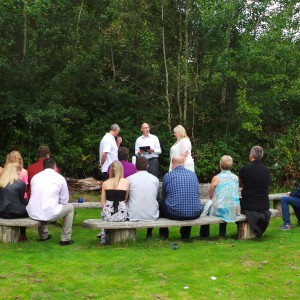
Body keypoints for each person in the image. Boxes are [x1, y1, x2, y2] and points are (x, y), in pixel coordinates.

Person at [26, 158, 74, 246]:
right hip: (49, 213)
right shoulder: (60, 178)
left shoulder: (35, 177)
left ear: (43, 167)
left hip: (33, 212)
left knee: (42, 205)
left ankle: (43, 235)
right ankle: (65, 238)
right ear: (54, 166)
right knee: (70, 208)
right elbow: (64, 200)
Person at [159, 156, 201, 239]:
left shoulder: (168, 176)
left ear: (172, 165)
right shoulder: (193, 175)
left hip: (174, 213)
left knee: (161, 203)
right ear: (183, 164)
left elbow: (164, 194)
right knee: (189, 203)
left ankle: (164, 234)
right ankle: (185, 234)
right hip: (195, 213)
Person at [200, 155, 240, 238]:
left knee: (206, 208)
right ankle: (222, 233)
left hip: (220, 210)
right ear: (231, 165)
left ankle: (204, 234)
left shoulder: (216, 178)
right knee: (224, 205)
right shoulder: (235, 178)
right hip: (234, 209)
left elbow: (211, 195)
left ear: (220, 165)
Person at [239, 146, 271, 238]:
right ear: (261, 156)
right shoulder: (267, 170)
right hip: (264, 205)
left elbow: (239, 184)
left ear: (251, 155)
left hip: (249, 205)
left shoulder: (245, 169)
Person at [127, 156, 159, 238]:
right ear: (148, 166)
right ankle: (149, 232)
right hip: (152, 215)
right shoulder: (155, 179)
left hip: (132, 215)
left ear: (135, 166)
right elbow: (155, 196)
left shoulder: (129, 179)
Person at [99, 160, 129, 243]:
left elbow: (102, 202)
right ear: (121, 169)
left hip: (108, 214)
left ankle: (104, 236)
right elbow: (125, 199)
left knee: (105, 214)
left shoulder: (105, 183)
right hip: (121, 214)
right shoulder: (126, 182)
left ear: (110, 170)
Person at [0, 163, 28, 242]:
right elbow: (21, 199)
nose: (20, 173)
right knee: (25, 204)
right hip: (15, 213)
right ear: (16, 171)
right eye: (19, 171)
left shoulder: (1, 182)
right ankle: (23, 235)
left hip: (1, 212)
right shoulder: (21, 183)